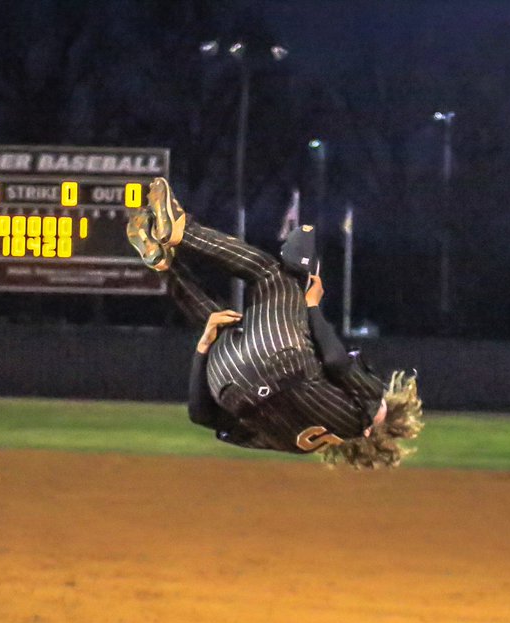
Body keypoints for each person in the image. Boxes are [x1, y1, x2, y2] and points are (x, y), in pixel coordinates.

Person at [126, 178, 422, 468]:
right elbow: (202, 416)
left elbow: (336, 360)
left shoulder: (366, 410)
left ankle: (183, 232)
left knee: (273, 277)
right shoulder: (299, 447)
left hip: (285, 363)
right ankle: (165, 264)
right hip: (228, 385)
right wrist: (202, 351)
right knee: (218, 327)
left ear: (373, 430)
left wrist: (312, 305)